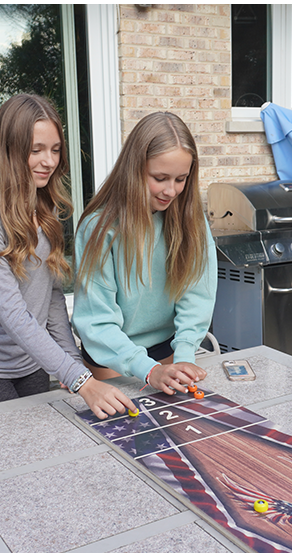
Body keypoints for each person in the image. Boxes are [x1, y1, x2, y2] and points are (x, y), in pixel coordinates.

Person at [0, 93, 135, 419]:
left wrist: (73, 364)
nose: (49, 161)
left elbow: (51, 297)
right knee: (12, 458)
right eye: (36, 150)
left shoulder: (43, 207)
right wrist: (81, 381)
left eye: (55, 149)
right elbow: (12, 313)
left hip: (31, 360)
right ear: (9, 150)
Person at [72, 112, 217, 396]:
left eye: (181, 179)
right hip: (112, 356)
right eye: (160, 178)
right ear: (134, 168)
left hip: (169, 351)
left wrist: (185, 356)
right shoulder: (99, 228)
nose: (171, 190)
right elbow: (97, 320)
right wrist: (147, 369)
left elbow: (197, 295)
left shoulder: (191, 220)